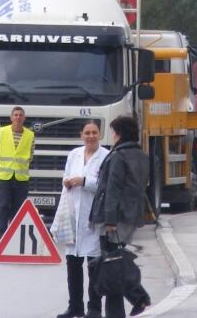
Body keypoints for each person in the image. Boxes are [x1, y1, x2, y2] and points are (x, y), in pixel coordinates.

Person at [89, 115, 151, 318]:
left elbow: (113, 189)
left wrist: (109, 220)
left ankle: (133, 301)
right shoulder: (140, 155)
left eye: (114, 132)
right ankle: (137, 298)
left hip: (115, 217)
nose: (112, 136)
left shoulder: (118, 156)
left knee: (112, 266)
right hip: (131, 215)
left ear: (120, 134)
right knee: (115, 262)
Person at [56, 121, 109, 318]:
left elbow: (105, 185)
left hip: (92, 216)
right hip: (72, 213)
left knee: (94, 265)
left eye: (94, 132)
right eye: (87, 133)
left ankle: (94, 309)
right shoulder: (74, 154)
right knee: (72, 263)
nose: (91, 136)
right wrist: (68, 182)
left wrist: (85, 182)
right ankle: (75, 307)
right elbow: (66, 175)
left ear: (100, 135)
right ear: (81, 135)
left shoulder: (105, 156)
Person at [0, 106, 35, 243]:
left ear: (24, 118)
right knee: (3, 207)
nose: (18, 117)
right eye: (15, 115)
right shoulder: (2, 132)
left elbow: (31, 155)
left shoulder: (30, 135)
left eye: (20, 115)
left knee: (19, 210)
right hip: (4, 177)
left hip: (21, 178)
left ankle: (15, 239)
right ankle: (0, 238)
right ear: (11, 118)